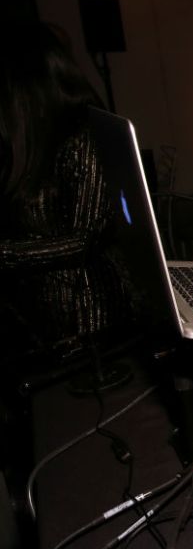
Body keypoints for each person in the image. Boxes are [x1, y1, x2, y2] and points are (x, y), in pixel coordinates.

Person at [0, 23, 128, 360]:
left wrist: (8, 253)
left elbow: (85, 238)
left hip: (86, 316)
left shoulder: (84, 137)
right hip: (42, 315)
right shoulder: (28, 143)